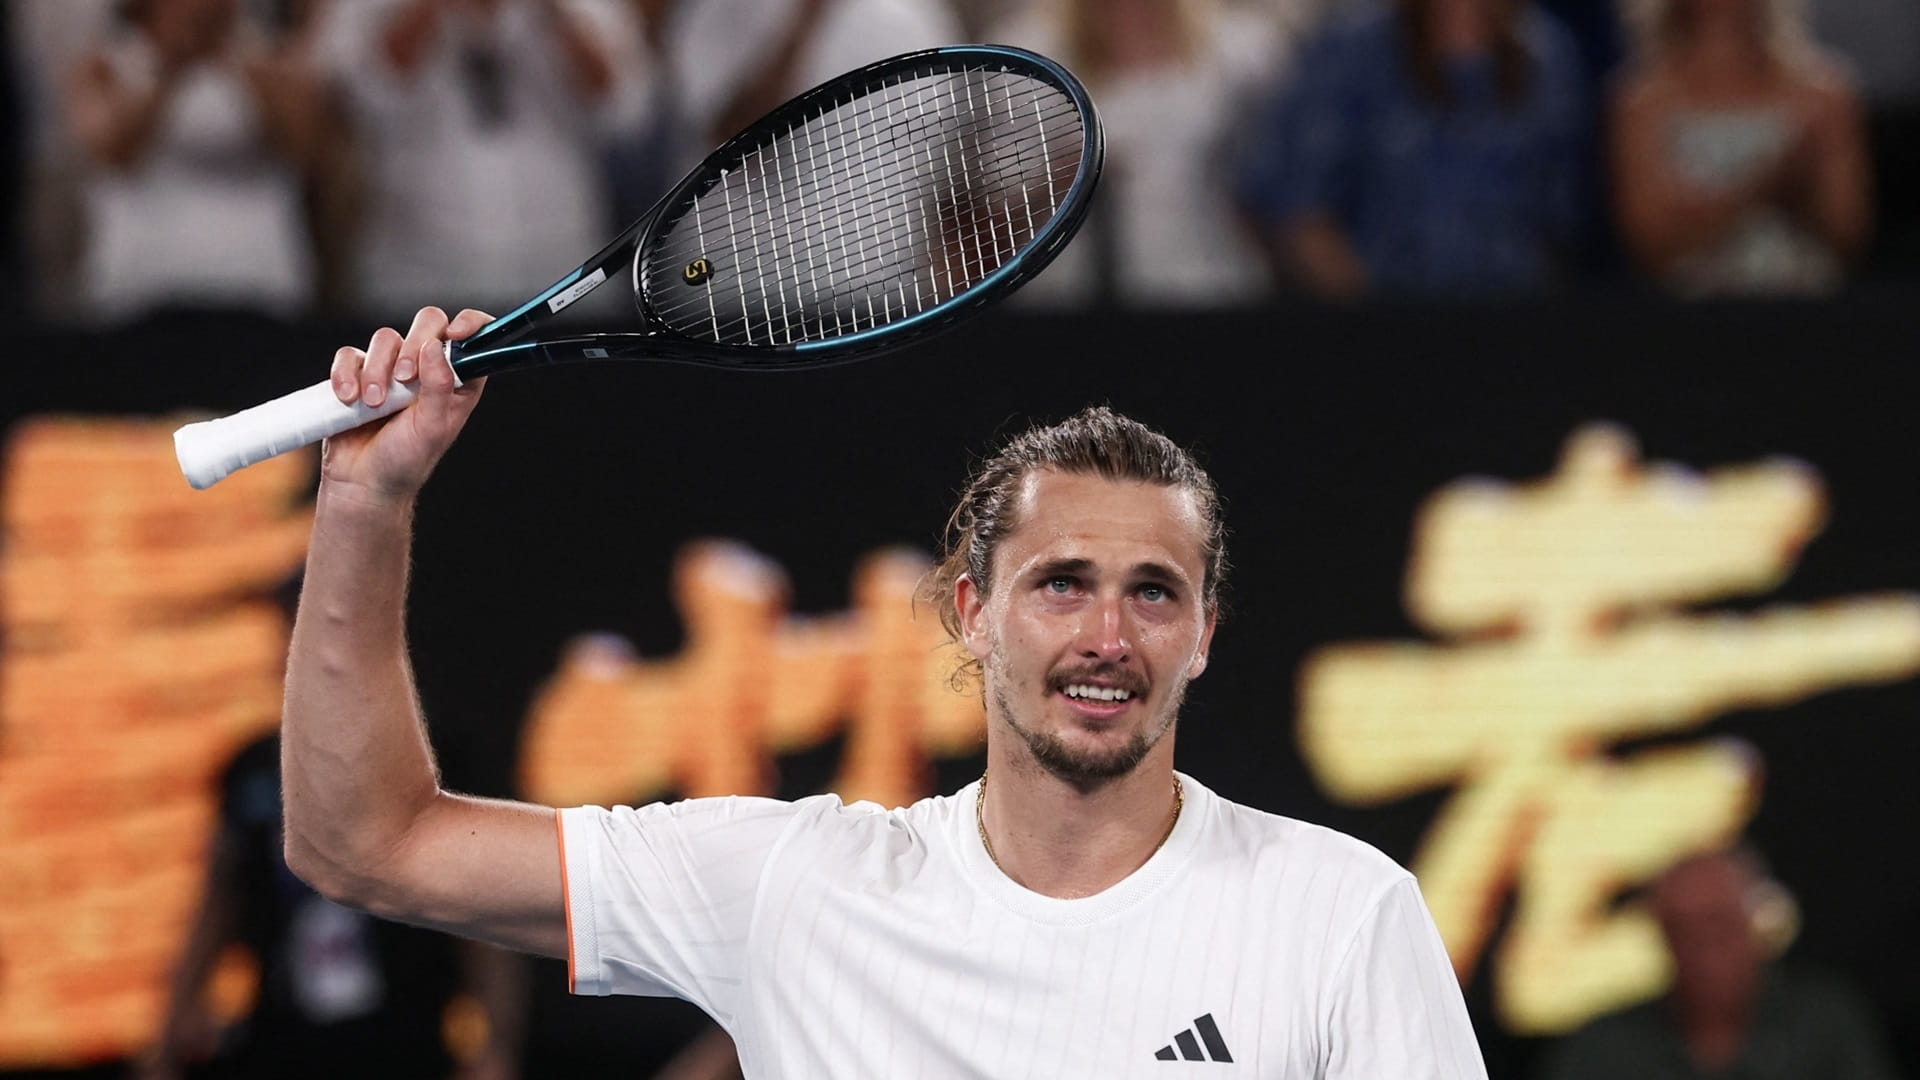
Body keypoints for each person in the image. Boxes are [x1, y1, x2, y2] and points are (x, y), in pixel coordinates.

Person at [280, 304, 1489, 1077]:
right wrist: (364, 503)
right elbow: (366, 842)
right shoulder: (797, 890)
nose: (1109, 637)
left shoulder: (1339, 915)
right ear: (971, 612)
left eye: (1155, 594)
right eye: (1062, 585)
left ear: (1206, 633)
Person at [135, 732, 527, 1080]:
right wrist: (167, 1040)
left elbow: (475, 915)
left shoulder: (427, 760)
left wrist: (495, 1048)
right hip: (285, 1032)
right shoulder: (253, 770)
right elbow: (216, 908)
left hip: (404, 1032)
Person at [1238, 0, 1589, 299]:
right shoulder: (1350, 51)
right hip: (1376, 324)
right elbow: (1298, 208)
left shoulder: (1547, 53)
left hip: (1512, 322)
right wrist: (1370, 317)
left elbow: (1557, 217)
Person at [1538, 846, 1902, 1080]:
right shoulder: (1607, 1046)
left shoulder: (1824, 1022)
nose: (1704, 947)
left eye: (1718, 923)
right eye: (1682, 928)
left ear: (1757, 925)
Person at [65, 0, 327, 321]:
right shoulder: (103, 67)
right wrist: (173, 68)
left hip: (258, 287)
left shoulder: (270, 67)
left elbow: (307, 149)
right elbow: (113, 152)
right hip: (136, 292)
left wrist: (229, 60)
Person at [1609, 0, 1873, 296]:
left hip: (1806, 302)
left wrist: (1804, 188)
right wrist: (1765, 186)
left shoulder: (1824, 94)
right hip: (1690, 310)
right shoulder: (1642, 102)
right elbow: (1651, 242)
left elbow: (1847, 232)